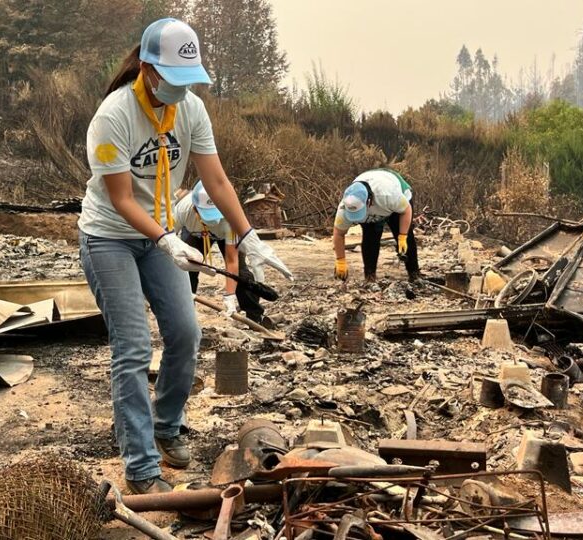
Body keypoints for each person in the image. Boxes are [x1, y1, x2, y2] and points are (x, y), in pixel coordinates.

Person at [77, 18, 292, 495]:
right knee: (133, 347)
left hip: (159, 236)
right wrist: (167, 239)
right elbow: (121, 200)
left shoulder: (190, 109)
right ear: (148, 69)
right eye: (173, 79)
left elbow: (217, 180)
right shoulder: (113, 116)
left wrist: (248, 236)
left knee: (186, 333)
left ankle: (166, 425)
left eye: (187, 80)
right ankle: (140, 467)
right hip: (109, 237)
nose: (181, 89)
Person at [175, 181, 272, 327]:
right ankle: (186, 316)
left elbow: (232, 260)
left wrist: (229, 295)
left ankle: (255, 317)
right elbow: (165, 239)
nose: (212, 221)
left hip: (224, 235)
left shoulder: (230, 217)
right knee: (186, 269)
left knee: (241, 273)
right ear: (195, 209)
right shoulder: (182, 211)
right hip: (196, 234)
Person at [332, 168, 420, 282]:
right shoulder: (344, 207)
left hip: (394, 198)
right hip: (375, 200)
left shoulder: (388, 195)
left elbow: (406, 210)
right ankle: (370, 278)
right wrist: (340, 260)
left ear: (369, 202)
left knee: (404, 235)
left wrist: (402, 236)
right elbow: (339, 233)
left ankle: (414, 274)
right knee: (370, 237)